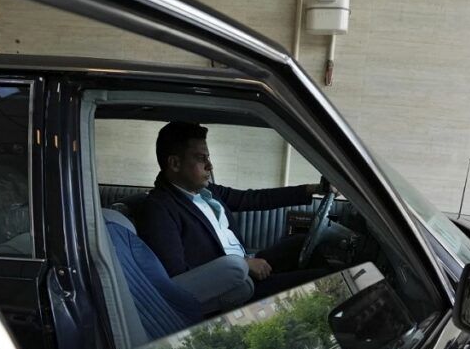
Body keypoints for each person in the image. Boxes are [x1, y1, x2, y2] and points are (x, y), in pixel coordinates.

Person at [136, 122, 331, 302]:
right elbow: (178, 277)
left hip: (245, 264)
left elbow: (255, 198)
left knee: (304, 243)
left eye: (208, 157)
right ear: (175, 164)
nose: (210, 165)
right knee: (326, 280)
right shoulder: (159, 209)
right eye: (201, 158)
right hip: (233, 288)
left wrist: (312, 189)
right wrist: (243, 265)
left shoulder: (207, 192)